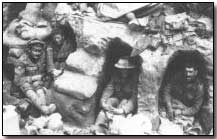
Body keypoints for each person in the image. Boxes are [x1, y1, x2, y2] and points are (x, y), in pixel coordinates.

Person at [93, 56, 142, 134]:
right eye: (122, 69)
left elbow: (134, 98)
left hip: (126, 104)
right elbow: (109, 88)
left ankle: (113, 131)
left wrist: (123, 110)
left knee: (121, 109)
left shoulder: (135, 79)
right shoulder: (116, 75)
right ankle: (98, 130)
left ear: (130, 70)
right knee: (109, 103)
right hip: (116, 99)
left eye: (126, 70)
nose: (124, 72)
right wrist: (103, 101)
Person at [11, 39, 56, 115]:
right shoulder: (22, 60)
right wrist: (33, 78)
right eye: (35, 50)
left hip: (36, 84)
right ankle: (45, 110)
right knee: (29, 89)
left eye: (39, 51)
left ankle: (43, 110)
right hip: (22, 88)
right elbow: (17, 80)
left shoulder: (41, 59)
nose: (37, 53)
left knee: (39, 89)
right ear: (29, 50)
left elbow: (48, 67)